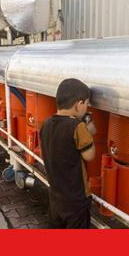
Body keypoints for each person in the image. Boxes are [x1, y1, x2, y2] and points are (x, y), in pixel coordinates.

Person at [39, 78, 97, 229]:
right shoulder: (78, 127)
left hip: (55, 195)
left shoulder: (45, 124)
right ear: (79, 105)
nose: (86, 107)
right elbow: (89, 156)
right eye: (86, 103)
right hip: (76, 199)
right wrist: (89, 132)